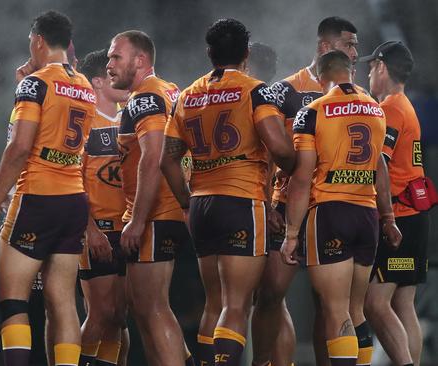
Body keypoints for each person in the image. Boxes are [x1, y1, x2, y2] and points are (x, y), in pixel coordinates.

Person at [160, 18, 295, 366]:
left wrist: (187, 201)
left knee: (214, 303)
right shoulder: (255, 90)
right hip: (242, 202)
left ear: (209, 53)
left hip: (203, 204)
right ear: (247, 53)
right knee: (236, 305)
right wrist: (301, 166)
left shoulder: (188, 94)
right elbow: (279, 149)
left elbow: (167, 160)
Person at [0, 11, 96, 366]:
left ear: (38, 40)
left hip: (36, 197)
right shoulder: (86, 86)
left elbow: (19, 147)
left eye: (32, 41)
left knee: (13, 300)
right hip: (73, 198)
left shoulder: (34, 84)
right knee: (62, 302)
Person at [281, 50, 402, 366]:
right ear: (352, 73)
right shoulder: (376, 110)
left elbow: (302, 177)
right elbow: (380, 169)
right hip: (366, 215)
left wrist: (291, 233)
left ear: (321, 77)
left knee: (335, 311)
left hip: (330, 213)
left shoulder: (314, 111)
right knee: (355, 309)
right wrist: (388, 217)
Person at [253, 16, 362, 366]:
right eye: (349, 44)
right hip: (286, 206)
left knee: (327, 305)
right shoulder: (286, 90)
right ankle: (267, 361)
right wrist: (265, 201)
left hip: (329, 209)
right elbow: (265, 149)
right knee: (270, 295)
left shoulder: (357, 96)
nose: (356, 52)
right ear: (324, 47)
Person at [107, 30, 193, 366]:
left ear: (140, 60)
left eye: (116, 56)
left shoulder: (146, 97)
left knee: (152, 308)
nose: (109, 63)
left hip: (155, 213)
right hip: (170, 209)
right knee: (145, 310)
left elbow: (154, 156)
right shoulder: (168, 89)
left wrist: (138, 220)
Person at [362, 41, 428, 366]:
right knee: (404, 306)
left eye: (371, 67)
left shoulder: (389, 109)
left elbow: (379, 165)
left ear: (382, 67)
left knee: (374, 303)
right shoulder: (407, 106)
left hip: (398, 223)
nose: (368, 73)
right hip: (415, 220)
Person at [76, 49, 130, 366]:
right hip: (98, 230)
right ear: (97, 81)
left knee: (119, 318)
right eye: (112, 75)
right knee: (100, 313)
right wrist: (90, 229)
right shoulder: (84, 120)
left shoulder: (131, 118)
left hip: (128, 229)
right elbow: (72, 180)